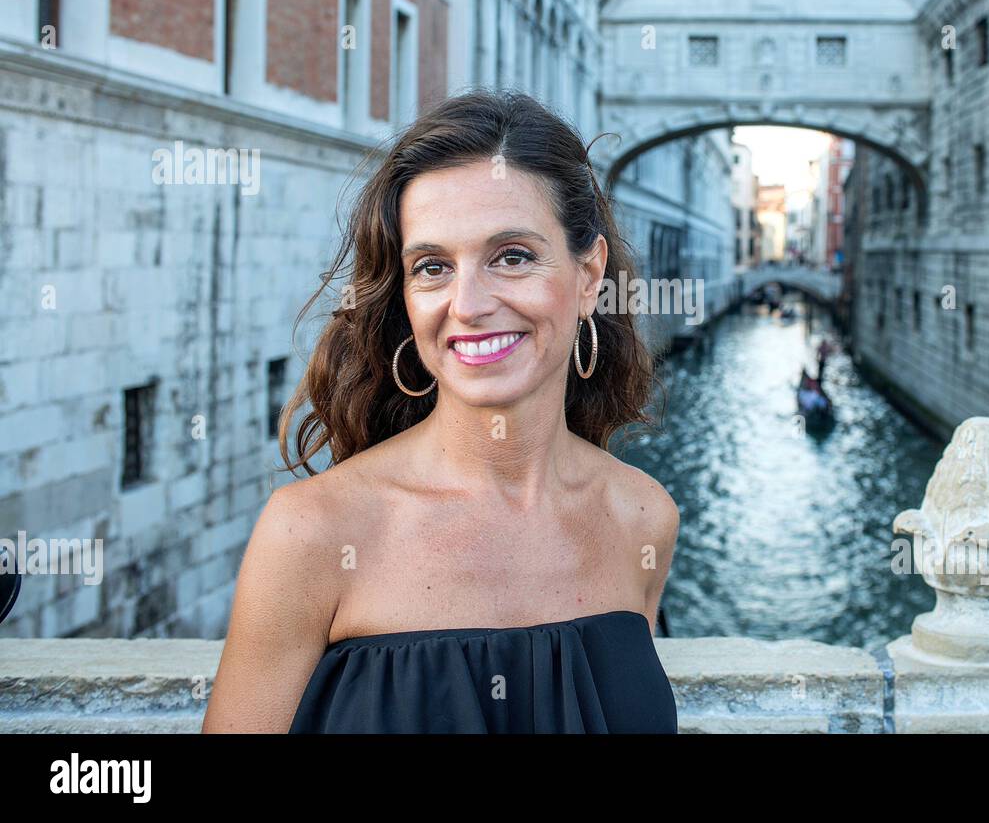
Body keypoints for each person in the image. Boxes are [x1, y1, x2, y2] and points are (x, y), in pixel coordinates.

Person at [202, 90, 679, 734]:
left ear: (590, 273)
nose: (469, 303)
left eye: (512, 256)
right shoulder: (312, 532)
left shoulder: (643, 517)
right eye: (432, 267)